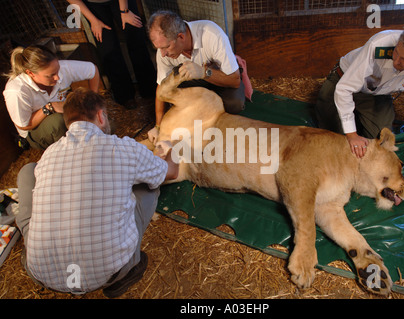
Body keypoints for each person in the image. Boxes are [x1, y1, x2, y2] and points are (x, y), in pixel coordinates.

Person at [15, 87, 178, 297]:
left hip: (42, 273)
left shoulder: (49, 154)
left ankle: (35, 251)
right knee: (149, 185)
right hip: (108, 272)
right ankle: (128, 269)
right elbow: (171, 172)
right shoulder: (124, 149)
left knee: (29, 171)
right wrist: (170, 146)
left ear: (68, 123)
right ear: (101, 115)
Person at [315, 20, 404, 166]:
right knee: (339, 144)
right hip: (342, 82)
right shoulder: (379, 43)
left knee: (381, 142)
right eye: (396, 52)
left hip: (375, 93)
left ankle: (360, 117)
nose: (396, 60)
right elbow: (345, 88)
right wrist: (352, 135)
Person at [146, 10, 246, 144]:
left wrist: (205, 72)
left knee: (235, 104)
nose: (163, 54)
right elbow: (161, 86)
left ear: (181, 37)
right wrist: (158, 126)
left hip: (218, 77)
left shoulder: (212, 34)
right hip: (194, 82)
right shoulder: (163, 52)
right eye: (159, 48)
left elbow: (235, 80)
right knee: (181, 105)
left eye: (167, 47)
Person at [3, 44, 100, 150]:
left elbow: (93, 70)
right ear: (30, 73)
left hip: (65, 114)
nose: (57, 77)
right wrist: (49, 107)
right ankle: (71, 151)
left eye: (57, 70)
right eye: (50, 75)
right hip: (35, 130)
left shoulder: (58, 68)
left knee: (103, 121)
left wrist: (92, 99)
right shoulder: (17, 91)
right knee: (57, 122)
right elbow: (24, 125)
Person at [67, 0, 157, 109]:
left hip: (122, 2)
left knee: (134, 36)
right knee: (107, 46)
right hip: (93, 4)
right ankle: (124, 96)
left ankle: (150, 89)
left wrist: (124, 11)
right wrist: (93, 20)